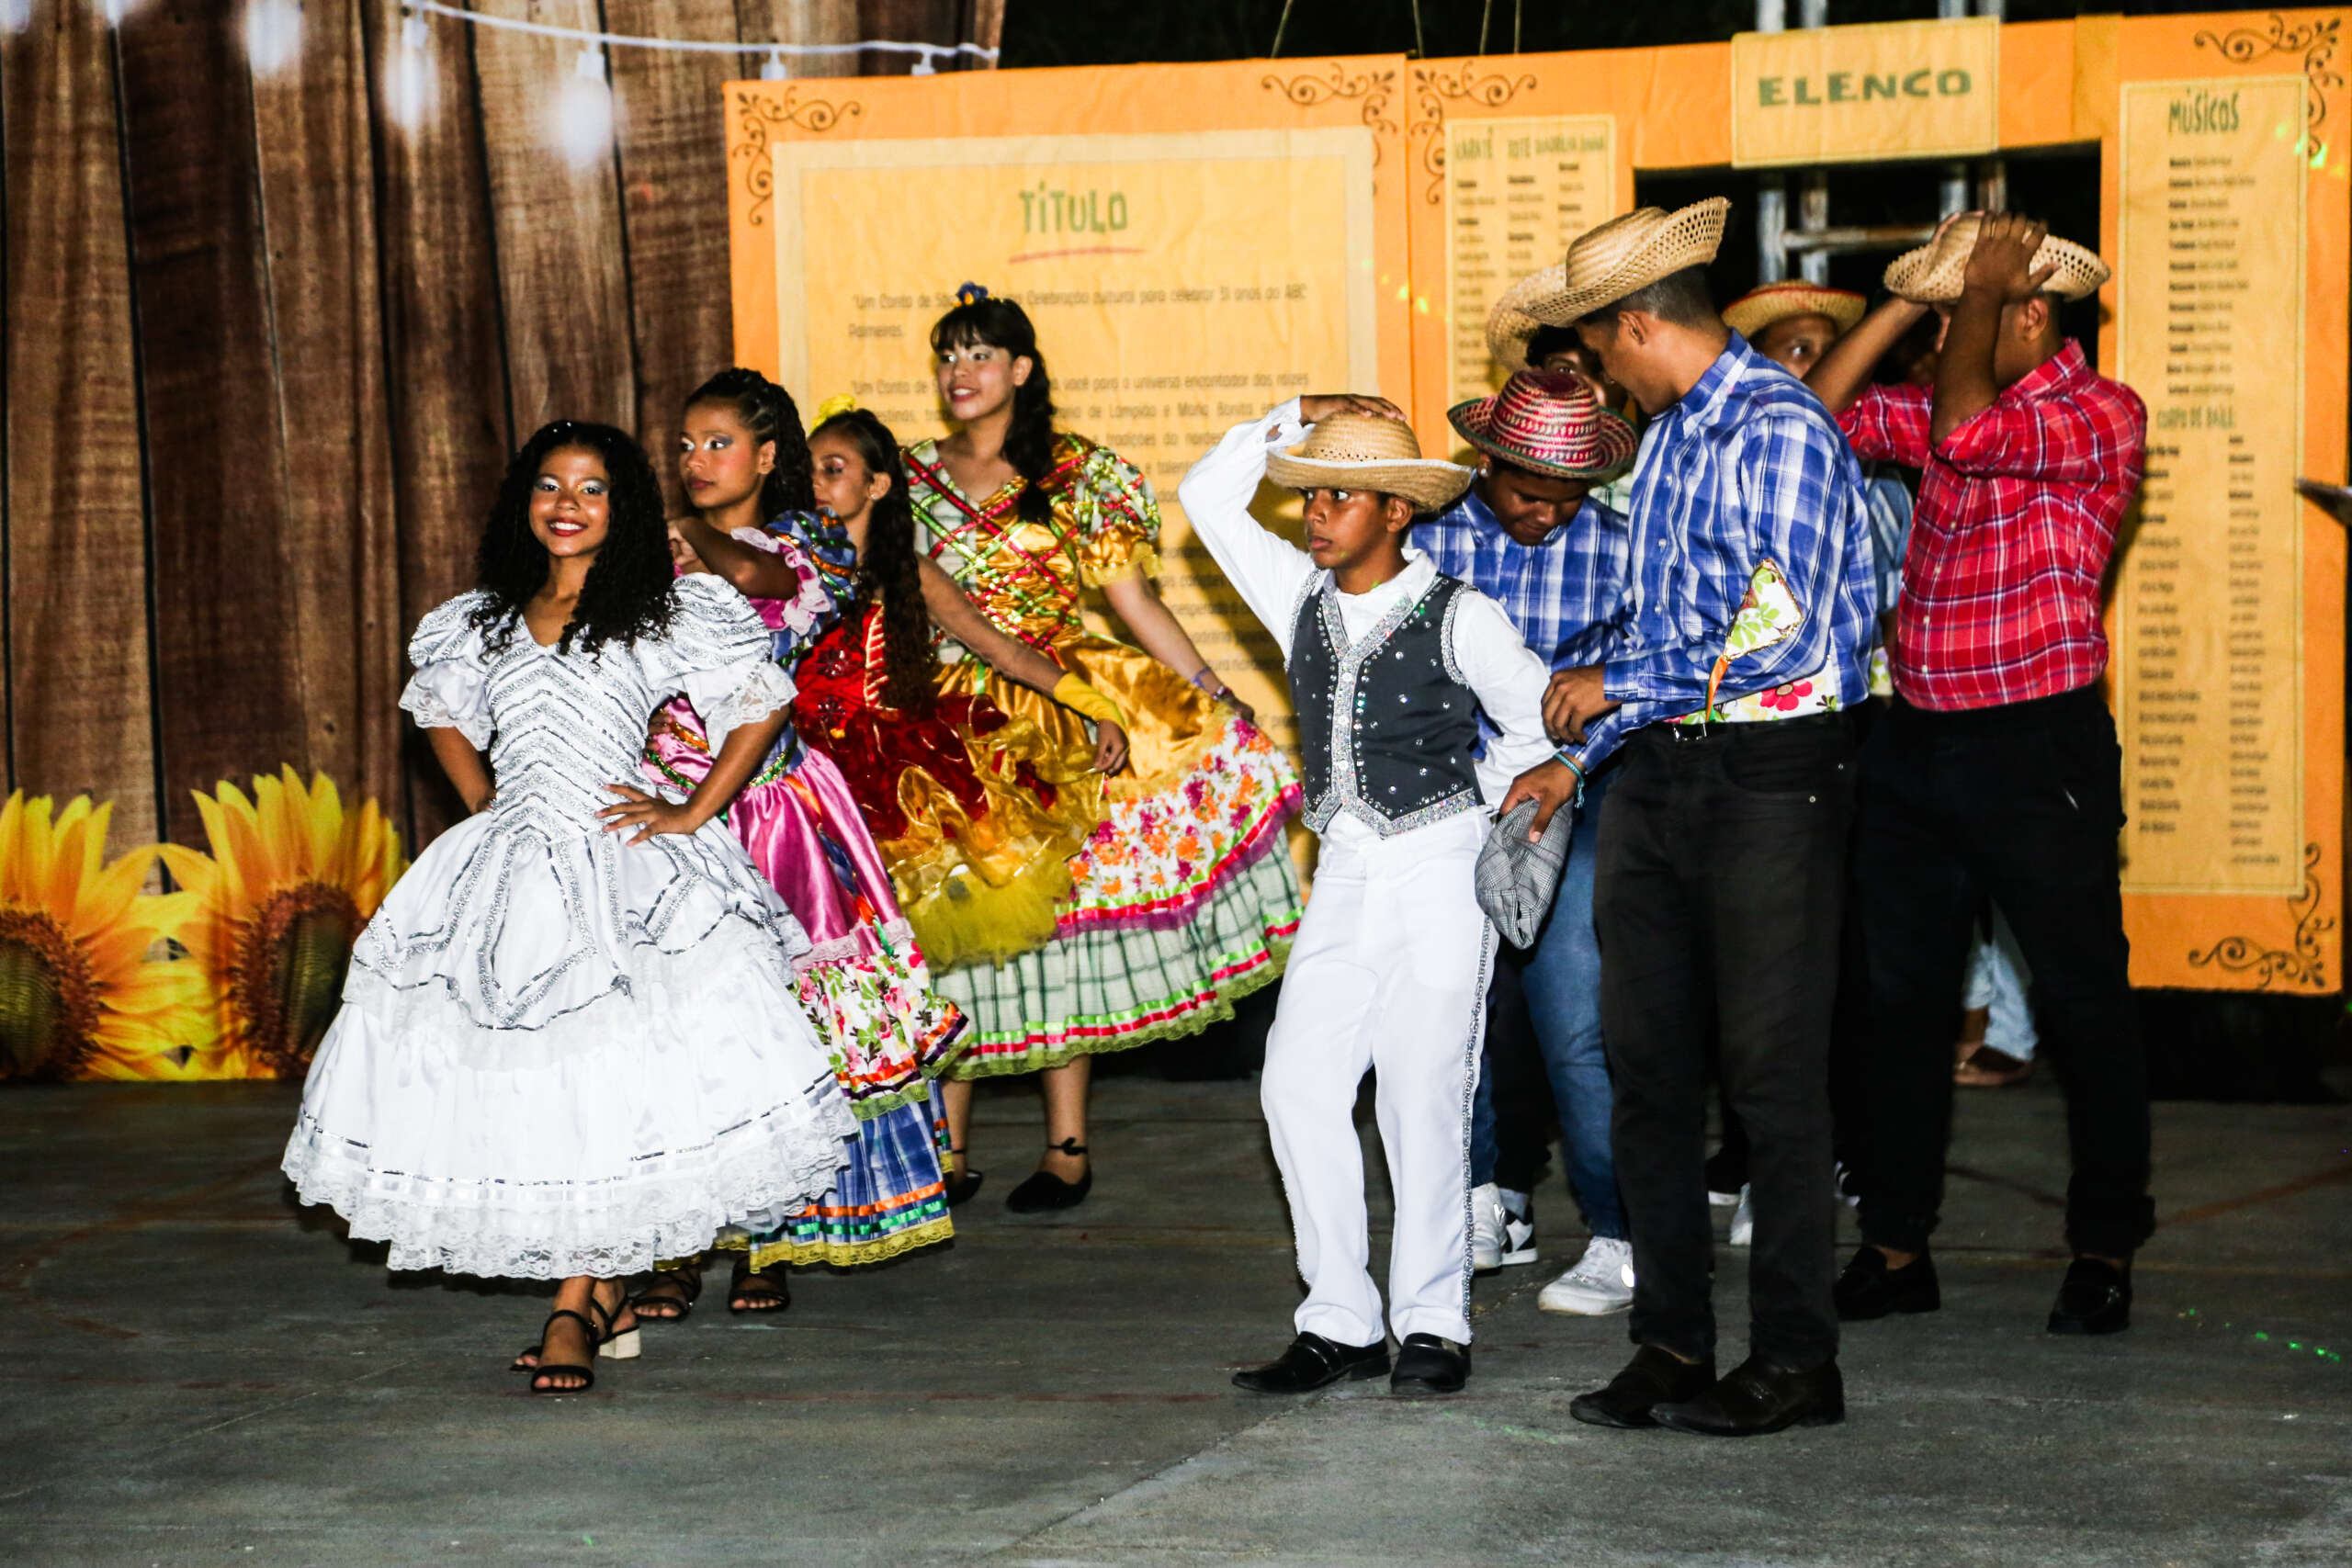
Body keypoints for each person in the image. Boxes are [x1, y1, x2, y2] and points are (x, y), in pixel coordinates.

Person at [280, 421, 859, 1393]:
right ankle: (603, 1294)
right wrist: (484, 802)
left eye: (592, 490)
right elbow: (439, 706)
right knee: (539, 1089)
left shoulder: (659, 610)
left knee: (607, 1078)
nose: (567, 505)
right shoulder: (484, 619)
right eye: (550, 486)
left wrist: (692, 808)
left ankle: (574, 1303)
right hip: (507, 870)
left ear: (622, 508)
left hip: (622, 868)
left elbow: (762, 702)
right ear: (524, 502)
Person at [1531, 198, 1877, 1437]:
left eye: (1595, 347)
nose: (1591, 371)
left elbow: (1789, 625)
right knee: (1650, 1067)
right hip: (1667, 774)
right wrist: (1589, 753)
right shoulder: (1670, 439)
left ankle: (1796, 1359)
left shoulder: (1777, 425)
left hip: (1773, 774)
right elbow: (1661, 631)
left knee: (1773, 1080)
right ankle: (1673, 1337)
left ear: (1638, 325)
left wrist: (1626, 688)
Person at [1180, 396, 1574, 1399]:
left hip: (1440, 869)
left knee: (1420, 1094)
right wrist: (1297, 414)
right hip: (1345, 871)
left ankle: (1433, 1325)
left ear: (1397, 510)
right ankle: (1341, 1321)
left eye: (1340, 495)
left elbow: (1541, 728)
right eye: (1310, 493)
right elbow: (1206, 495)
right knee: (1296, 1085)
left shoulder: (1461, 614)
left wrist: (1488, 811)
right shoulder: (1296, 595)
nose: (1314, 513)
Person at [1805, 211, 2148, 1334]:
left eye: (1970, 318)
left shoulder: (2099, 413)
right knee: (1899, 1011)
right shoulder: (1958, 381)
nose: (1942, 338)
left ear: (2031, 315)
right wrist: (1914, 294)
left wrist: (1983, 282)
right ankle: (1897, 1250)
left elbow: (1959, 422)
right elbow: (1820, 419)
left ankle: (2102, 1247)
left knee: (2083, 1000)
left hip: (2034, 744)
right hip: (1916, 744)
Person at [906, 288, 1306, 1213]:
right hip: (943, 729)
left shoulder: (1076, 472)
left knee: (1053, 928)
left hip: (1056, 716)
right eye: (946, 358)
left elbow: (1133, 604)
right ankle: (947, 1150)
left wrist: (1207, 688)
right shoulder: (906, 476)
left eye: (977, 356)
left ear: (1020, 369)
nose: (958, 374)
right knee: (951, 925)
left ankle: (1068, 1149)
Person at [628, 370, 967, 1325]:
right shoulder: (649, 551)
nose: (696, 462)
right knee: (683, 1026)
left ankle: (772, 1235)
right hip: (668, 807)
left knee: (785, 1029)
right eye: (686, 447)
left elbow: (760, 583)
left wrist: (685, 536)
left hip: (769, 811)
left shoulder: (804, 538)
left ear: (767, 456)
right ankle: (682, 1238)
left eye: (718, 444)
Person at [790, 400, 1116, 1207]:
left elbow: (999, 646)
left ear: (877, 486)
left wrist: (1088, 702)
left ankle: (937, 1146)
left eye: (835, 470)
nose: (819, 486)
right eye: (810, 473)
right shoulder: (786, 572)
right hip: (807, 778)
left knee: (927, 964)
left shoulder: (911, 574)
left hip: (899, 776)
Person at [1417, 367, 1641, 1317]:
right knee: (1446, 1022)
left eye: (1564, 501)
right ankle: (1471, 1203)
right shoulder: (1423, 544)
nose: (1544, 517)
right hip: (1448, 806)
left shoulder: (1624, 552)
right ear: (1486, 461)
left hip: (1577, 799)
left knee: (1575, 1022)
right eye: (1524, 496)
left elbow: (1647, 685)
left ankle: (1618, 1234)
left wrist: (1576, 760)